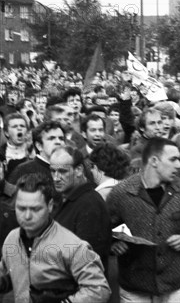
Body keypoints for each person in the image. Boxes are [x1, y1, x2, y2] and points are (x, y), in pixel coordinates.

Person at [0, 173, 110, 302]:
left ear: (50, 206)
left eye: (35, 209)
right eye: (21, 208)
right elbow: (9, 272)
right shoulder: (12, 238)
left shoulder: (72, 246)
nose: (27, 216)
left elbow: (99, 289)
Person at [107, 137, 180, 302]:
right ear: (154, 161)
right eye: (173, 159)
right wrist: (113, 244)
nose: (179, 165)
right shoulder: (121, 193)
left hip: (174, 286)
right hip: (135, 287)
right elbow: (103, 229)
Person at [50, 146, 112, 273]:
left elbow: (86, 260)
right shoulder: (65, 199)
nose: (56, 178)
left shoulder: (90, 204)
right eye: (52, 171)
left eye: (62, 171)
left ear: (78, 170)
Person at [8, 120, 66, 185]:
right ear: (39, 146)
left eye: (61, 138)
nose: (58, 142)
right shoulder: (23, 170)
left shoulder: (69, 169)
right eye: (51, 138)